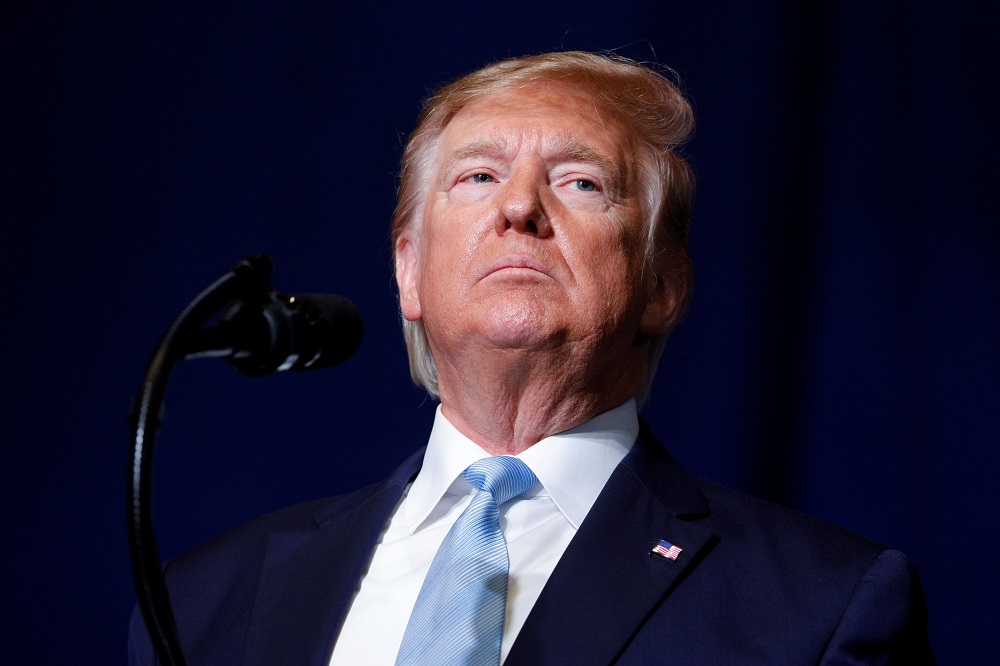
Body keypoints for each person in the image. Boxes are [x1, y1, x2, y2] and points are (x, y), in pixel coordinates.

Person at [129, 51, 933, 665]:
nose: (519, 207)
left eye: (581, 183)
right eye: (478, 175)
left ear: (661, 285)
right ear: (408, 270)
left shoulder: (823, 608)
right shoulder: (202, 603)